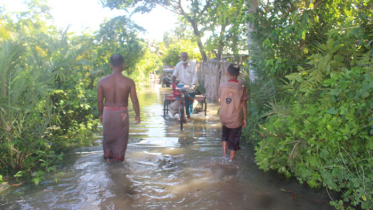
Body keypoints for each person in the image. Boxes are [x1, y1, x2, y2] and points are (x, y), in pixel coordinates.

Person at [97, 54, 141, 162]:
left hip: (107, 113)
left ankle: (108, 159)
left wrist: (101, 114)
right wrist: (137, 115)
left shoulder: (102, 81)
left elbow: (99, 101)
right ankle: (119, 165)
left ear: (111, 65)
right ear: (123, 65)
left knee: (107, 139)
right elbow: (134, 101)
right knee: (121, 140)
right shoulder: (129, 82)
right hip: (122, 113)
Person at [218, 64, 249, 160]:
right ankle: (231, 160)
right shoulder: (242, 87)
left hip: (223, 116)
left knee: (225, 135)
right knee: (234, 138)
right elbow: (244, 104)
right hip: (235, 118)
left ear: (227, 73)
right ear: (239, 74)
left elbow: (220, 100)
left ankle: (224, 156)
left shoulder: (222, 86)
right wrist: (244, 119)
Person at [171, 52, 198, 119]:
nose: (183, 58)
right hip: (181, 84)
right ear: (180, 58)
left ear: (187, 57)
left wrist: (194, 84)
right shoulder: (178, 65)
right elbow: (174, 75)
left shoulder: (193, 64)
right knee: (179, 93)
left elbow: (195, 76)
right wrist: (172, 84)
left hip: (191, 85)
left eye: (185, 56)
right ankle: (182, 105)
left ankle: (188, 114)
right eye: (182, 57)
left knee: (188, 105)